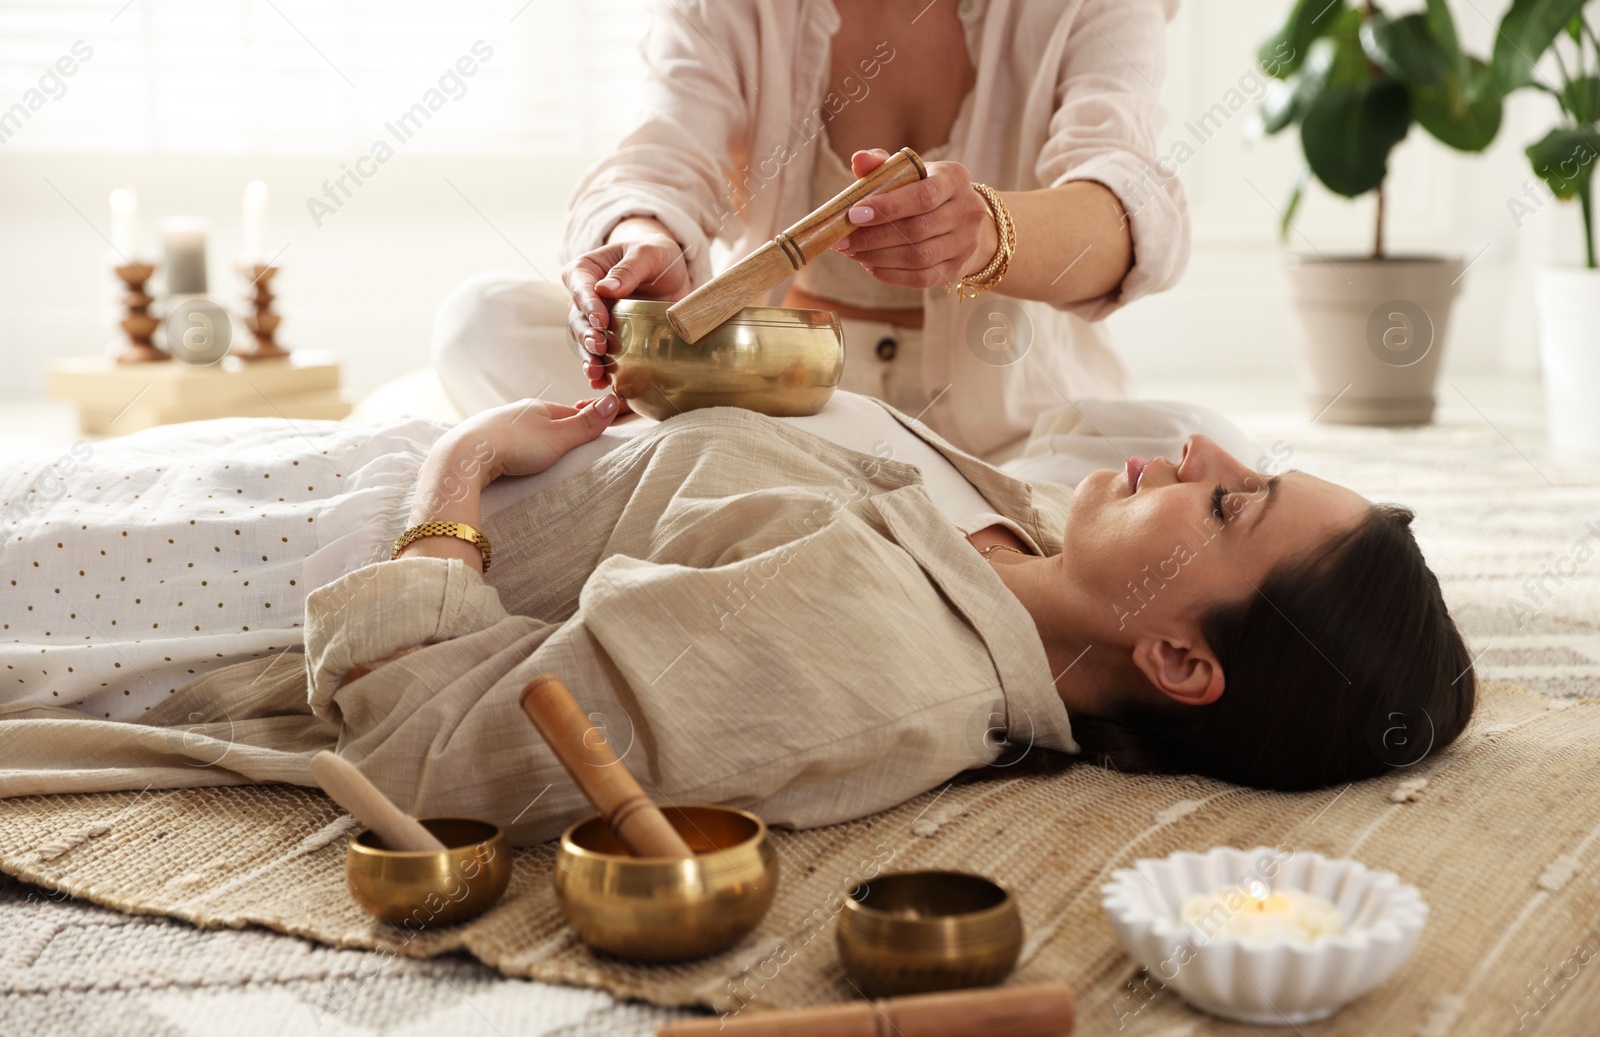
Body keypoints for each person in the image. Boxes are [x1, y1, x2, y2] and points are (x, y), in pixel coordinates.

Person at [0, 391, 1475, 845]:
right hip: (293, 458)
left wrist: (461, 474)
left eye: (1230, 505)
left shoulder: (866, 660)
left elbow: (422, 744)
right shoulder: (1013, 532)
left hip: (228, 579)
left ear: (1175, 655)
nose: (1202, 456)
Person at [431, 0, 1189, 463]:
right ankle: (919, 536)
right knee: (481, 322)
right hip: (771, 402)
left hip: (1008, 428)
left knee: (1191, 449)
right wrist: (646, 239)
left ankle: (807, 514)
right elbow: (664, 153)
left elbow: (1125, 205)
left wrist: (987, 233)